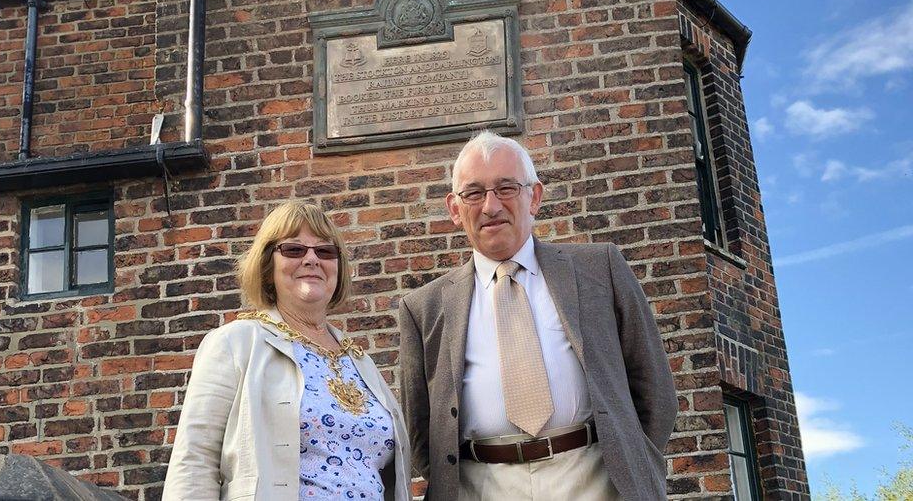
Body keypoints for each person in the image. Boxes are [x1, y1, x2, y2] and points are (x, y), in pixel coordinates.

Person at [398, 130, 677, 501]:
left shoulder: (600, 269)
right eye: (474, 193)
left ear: (535, 197)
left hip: (595, 479)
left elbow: (654, 390)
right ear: (454, 208)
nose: (491, 206)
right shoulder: (423, 307)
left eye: (507, 188)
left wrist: (628, 461)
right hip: (481, 487)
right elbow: (418, 430)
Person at [164, 202, 412, 501]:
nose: (311, 260)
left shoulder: (359, 361)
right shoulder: (237, 343)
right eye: (294, 250)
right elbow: (194, 463)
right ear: (268, 265)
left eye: (325, 251)